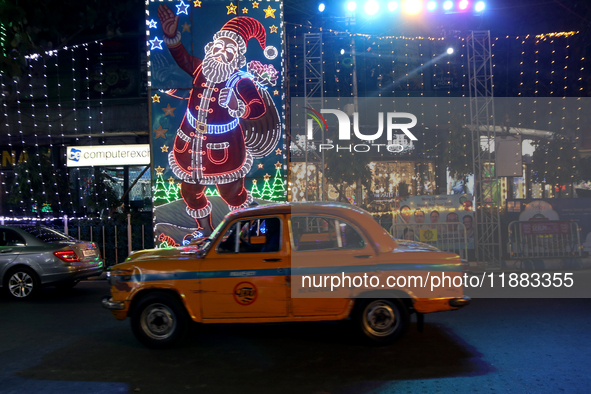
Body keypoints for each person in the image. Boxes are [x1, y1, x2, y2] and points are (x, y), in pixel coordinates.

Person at [158, 5, 280, 244]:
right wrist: (172, 37)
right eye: (219, 46)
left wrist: (238, 106)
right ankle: (205, 233)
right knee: (190, 193)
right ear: (211, 48)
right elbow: (182, 58)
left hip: (224, 150)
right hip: (191, 147)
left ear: (238, 56)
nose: (222, 51)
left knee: (232, 194)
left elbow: (258, 106)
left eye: (230, 49)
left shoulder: (240, 80)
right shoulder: (201, 68)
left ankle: (250, 233)